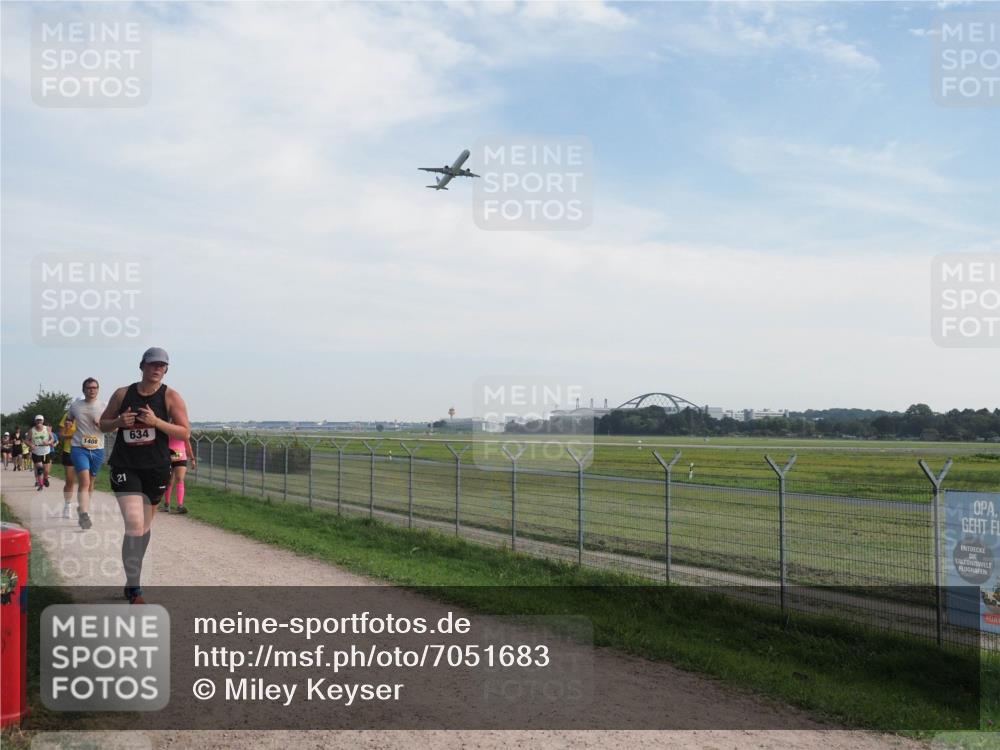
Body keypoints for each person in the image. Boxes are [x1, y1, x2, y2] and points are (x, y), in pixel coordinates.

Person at [99, 347, 190, 604]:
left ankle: (131, 579)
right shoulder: (122, 394)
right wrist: (118, 423)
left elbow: (184, 433)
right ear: (142, 366)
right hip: (125, 465)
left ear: (166, 369)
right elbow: (103, 424)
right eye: (152, 364)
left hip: (157, 468)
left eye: (162, 365)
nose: (157, 368)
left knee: (144, 527)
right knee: (135, 525)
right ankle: (136, 587)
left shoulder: (171, 397)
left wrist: (157, 422)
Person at [69, 378, 108, 530]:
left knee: (91, 482)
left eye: (94, 387)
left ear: (98, 389)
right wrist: (68, 423)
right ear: (83, 390)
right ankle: (84, 514)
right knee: (85, 481)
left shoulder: (104, 406)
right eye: (89, 387)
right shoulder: (75, 406)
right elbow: (70, 419)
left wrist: (101, 425)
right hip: (79, 447)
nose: (92, 390)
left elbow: (114, 428)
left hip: (98, 448)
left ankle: (83, 507)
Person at [163, 430, 196, 514]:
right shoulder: (167, 429)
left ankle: (180, 505)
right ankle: (167, 504)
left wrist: (192, 459)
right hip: (169, 456)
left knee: (180, 479)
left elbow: (188, 445)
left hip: (181, 457)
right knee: (169, 481)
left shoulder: (183, 431)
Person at [29, 415, 57, 491]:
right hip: (36, 451)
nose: (39, 422)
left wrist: (48, 442)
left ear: (43, 421)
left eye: (40, 420)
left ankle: (45, 478)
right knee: (40, 469)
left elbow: (52, 438)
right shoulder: (32, 430)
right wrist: (30, 445)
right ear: (35, 421)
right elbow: (26, 440)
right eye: (37, 420)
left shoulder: (47, 429)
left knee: (46, 471)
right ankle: (40, 485)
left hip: (46, 451)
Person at [57, 412, 77, 518]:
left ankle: (84, 508)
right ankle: (67, 505)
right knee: (70, 481)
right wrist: (73, 434)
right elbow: (61, 435)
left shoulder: (93, 413)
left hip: (87, 450)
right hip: (70, 451)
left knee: (87, 481)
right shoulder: (69, 415)